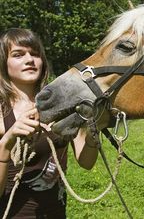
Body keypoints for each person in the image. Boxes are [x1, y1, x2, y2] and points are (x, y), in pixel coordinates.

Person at [0, 28, 99, 218]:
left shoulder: (64, 106)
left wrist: (94, 133)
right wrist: (6, 142)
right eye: (18, 55)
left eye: (35, 54)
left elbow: (86, 162)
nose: (30, 60)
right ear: (4, 63)